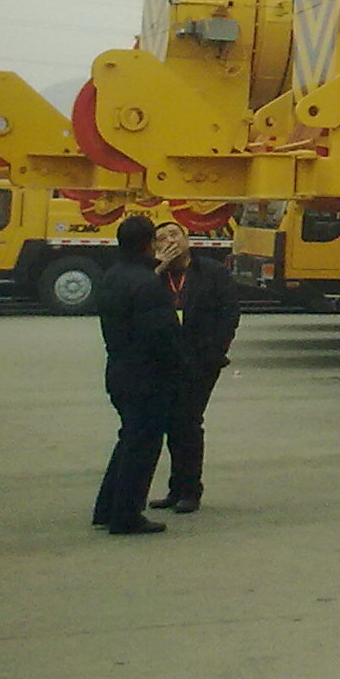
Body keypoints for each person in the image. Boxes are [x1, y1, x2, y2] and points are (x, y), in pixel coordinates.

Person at [91, 213, 181, 535]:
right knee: (142, 445)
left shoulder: (112, 276)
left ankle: (107, 508)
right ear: (149, 244)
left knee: (129, 438)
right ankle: (126, 515)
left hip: (118, 368)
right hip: (147, 375)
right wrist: (181, 365)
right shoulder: (148, 284)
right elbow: (161, 334)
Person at [150, 220, 239, 514]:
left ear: (187, 238)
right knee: (172, 423)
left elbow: (229, 312)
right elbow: (136, 299)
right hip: (166, 359)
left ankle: (190, 490)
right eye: (162, 238)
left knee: (187, 421)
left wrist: (216, 349)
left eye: (175, 234)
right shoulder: (156, 275)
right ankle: (176, 489)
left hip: (201, 359)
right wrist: (157, 268)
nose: (170, 240)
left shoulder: (212, 272)